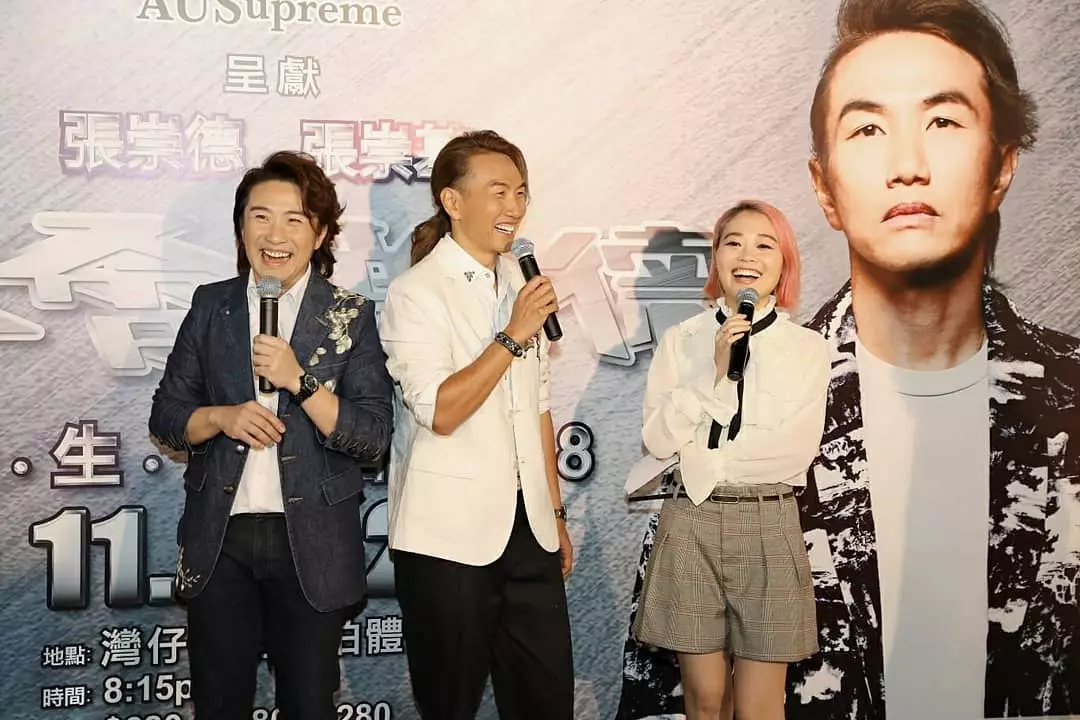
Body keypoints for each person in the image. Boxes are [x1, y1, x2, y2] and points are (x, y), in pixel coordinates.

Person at [620, 0, 1080, 718]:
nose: (907, 166)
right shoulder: (745, 400)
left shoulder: (1068, 396)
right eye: (868, 129)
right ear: (824, 187)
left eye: (943, 121)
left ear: (1001, 165)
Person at [148, 150, 394, 720]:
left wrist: (299, 381)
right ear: (241, 227)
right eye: (260, 217)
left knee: (308, 704)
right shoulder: (212, 305)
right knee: (219, 704)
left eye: (294, 219)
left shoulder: (349, 314)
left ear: (321, 233)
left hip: (312, 543)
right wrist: (220, 418)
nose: (275, 235)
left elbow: (373, 438)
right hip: (221, 540)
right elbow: (166, 417)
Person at [379, 129, 575, 720]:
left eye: (521, 192)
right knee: (450, 703)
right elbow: (440, 411)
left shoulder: (520, 284)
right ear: (453, 201)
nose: (514, 206)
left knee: (546, 703)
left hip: (530, 533)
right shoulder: (414, 293)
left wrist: (555, 514)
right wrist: (512, 335)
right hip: (448, 541)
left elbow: (539, 409)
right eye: (498, 191)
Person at [627, 200, 826, 720]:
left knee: (760, 707)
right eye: (733, 242)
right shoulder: (682, 341)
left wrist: (702, 458)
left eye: (765, 245)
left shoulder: (808, 349)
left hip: (767, 520)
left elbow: (792, 452)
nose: (747, 256)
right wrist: (711, 374)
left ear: (784, 262)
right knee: (706, 700)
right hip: (690, 521)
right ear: (716, 257)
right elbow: (658, 440)